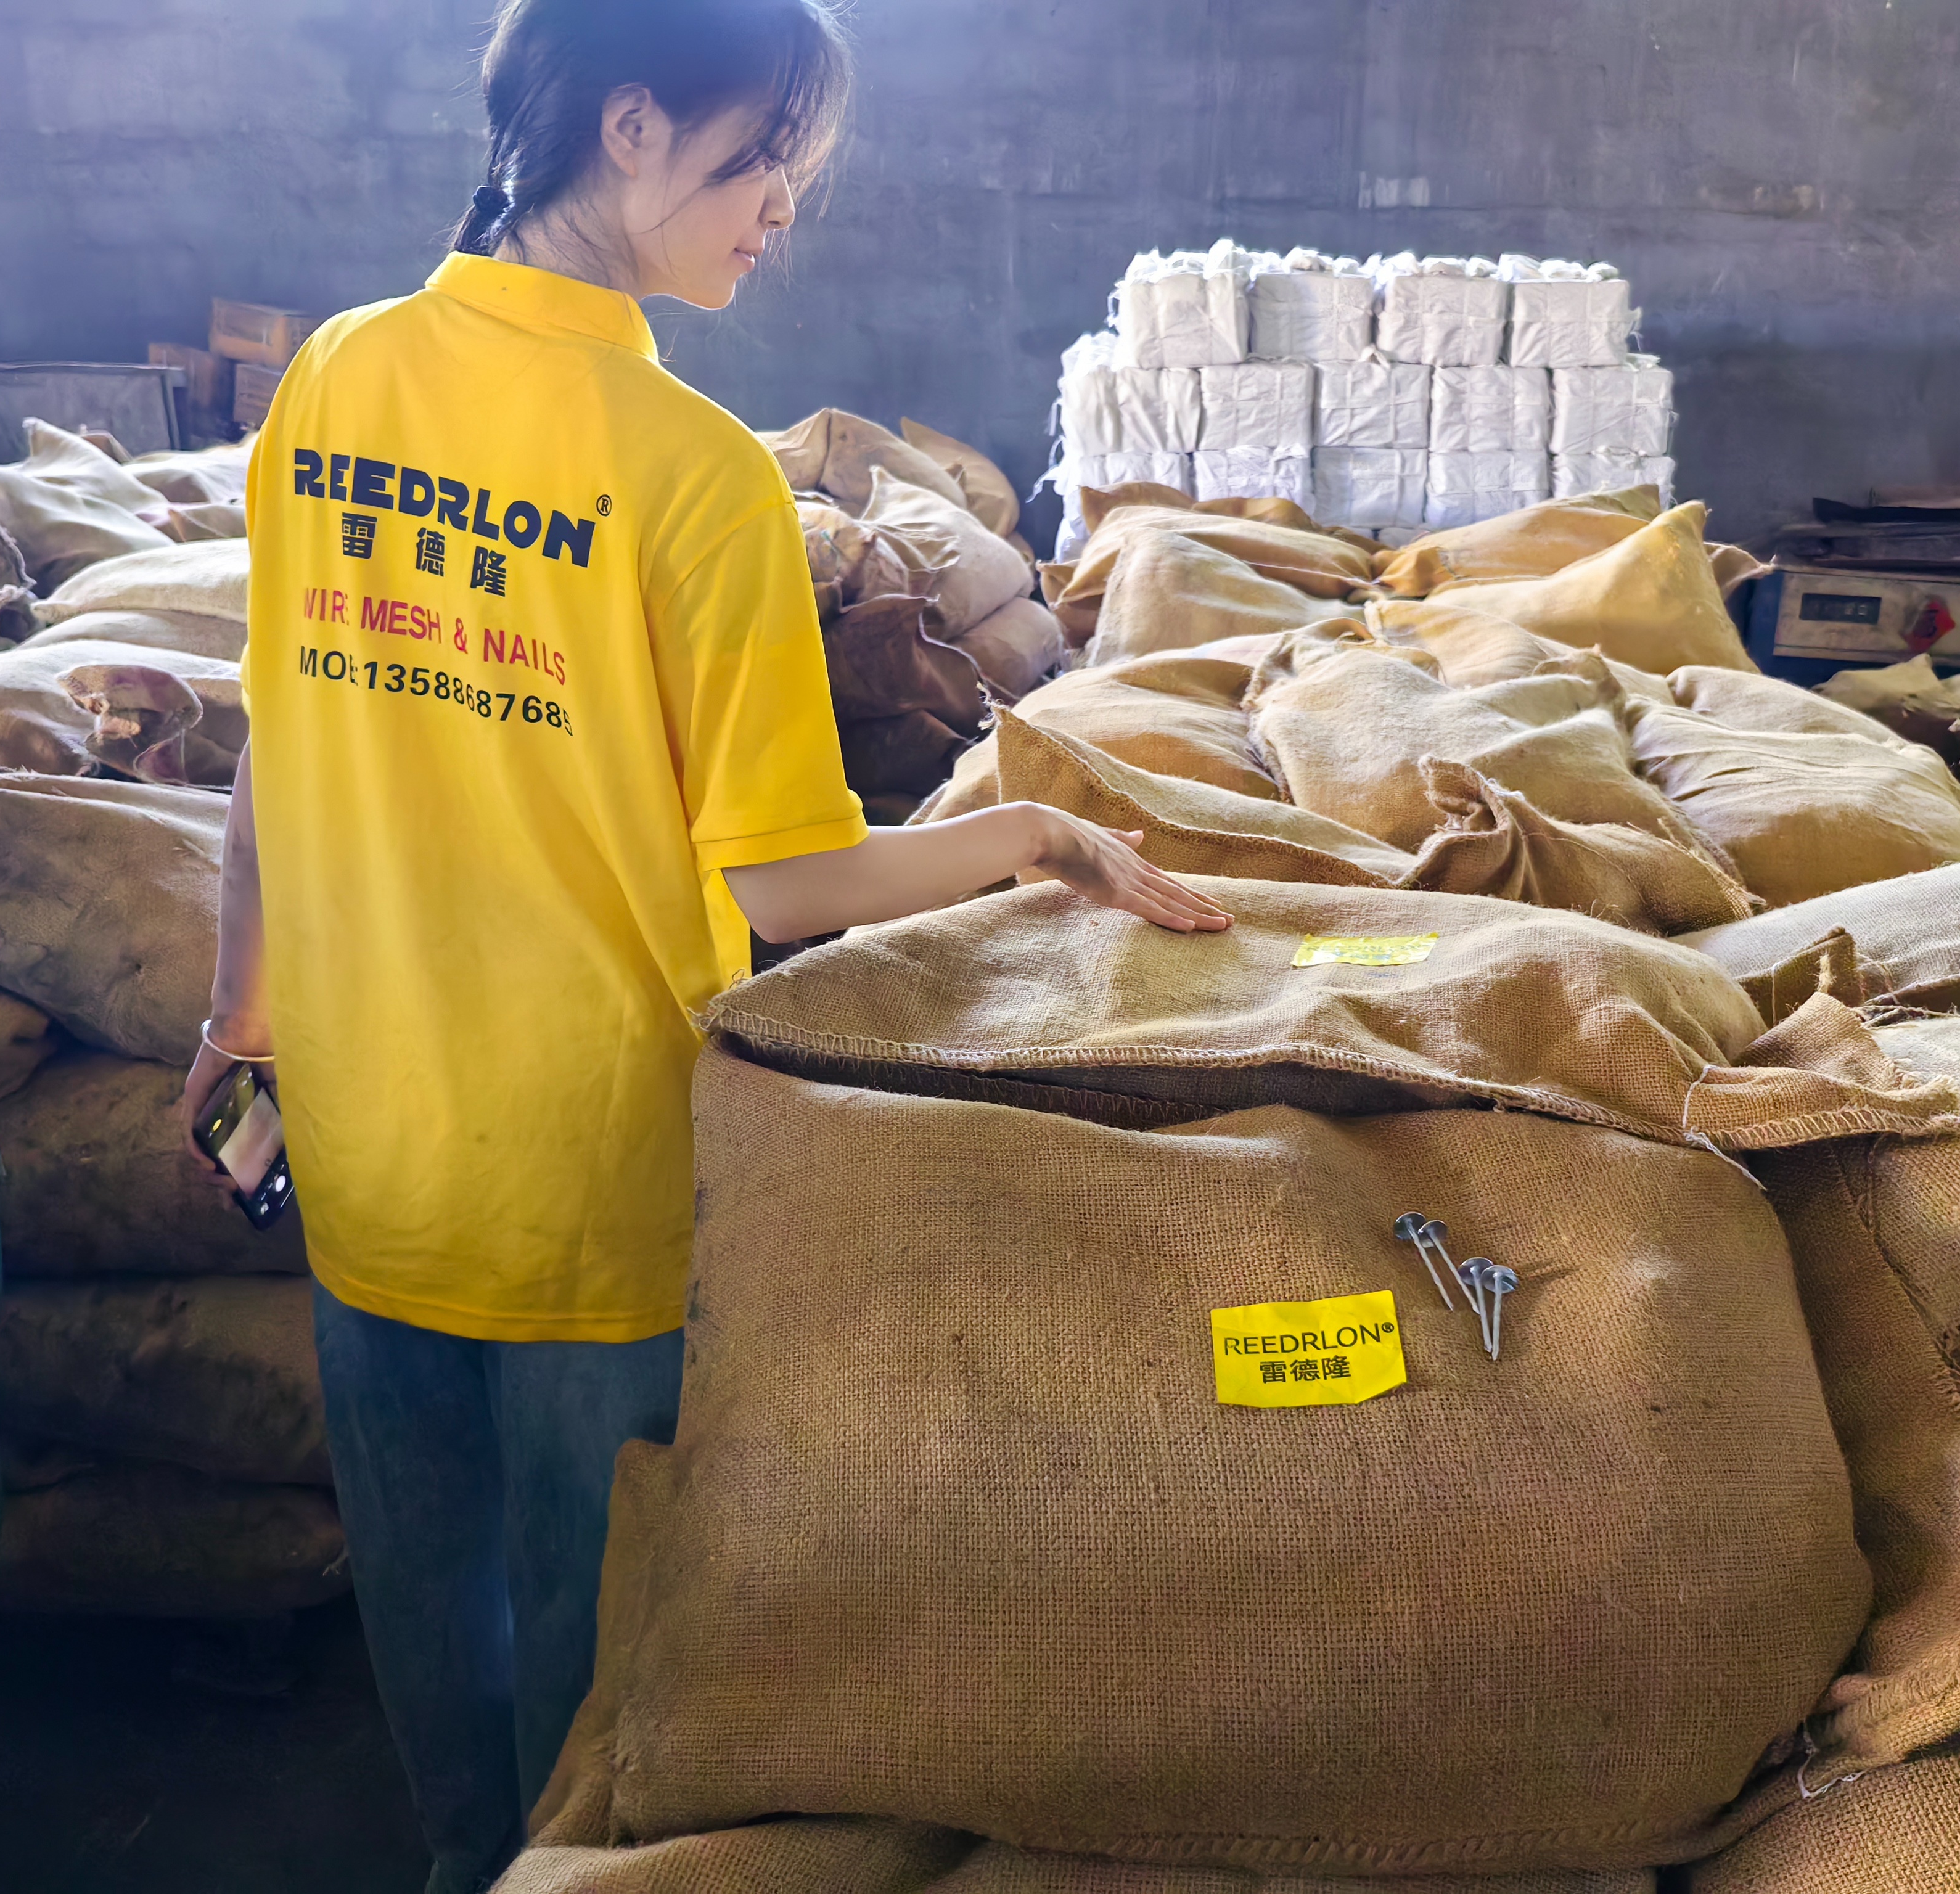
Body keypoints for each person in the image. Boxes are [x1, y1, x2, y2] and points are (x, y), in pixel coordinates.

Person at [182, 3, 1231, 1888]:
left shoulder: (334, 378)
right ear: (636, 125)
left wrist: (238, 1011)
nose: (779, 219)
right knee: (594, 1706)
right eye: (765, 167)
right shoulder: (694, 475)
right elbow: (790, 890)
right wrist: (1039, 830)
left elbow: (275, 737)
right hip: (594, 1177)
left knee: (434, 1654)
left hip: (358, 1143)